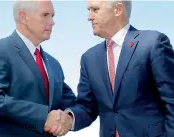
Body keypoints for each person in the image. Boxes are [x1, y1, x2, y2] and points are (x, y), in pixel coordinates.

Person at [48, 0, 174, 137]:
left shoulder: (152, 44)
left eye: (95, 10)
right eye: (89, 10)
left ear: (118, 10)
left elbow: (171, 100)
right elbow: (86, 107)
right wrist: (68, 118)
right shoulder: (89, 58)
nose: (89, 17)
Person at [0, 0, 75, 137]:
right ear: (23, 17)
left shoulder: (53, 64)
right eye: (45, 15)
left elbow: (71, 103)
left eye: (52, 16)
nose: (52, 22)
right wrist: (43, 117)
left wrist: (69, 117)